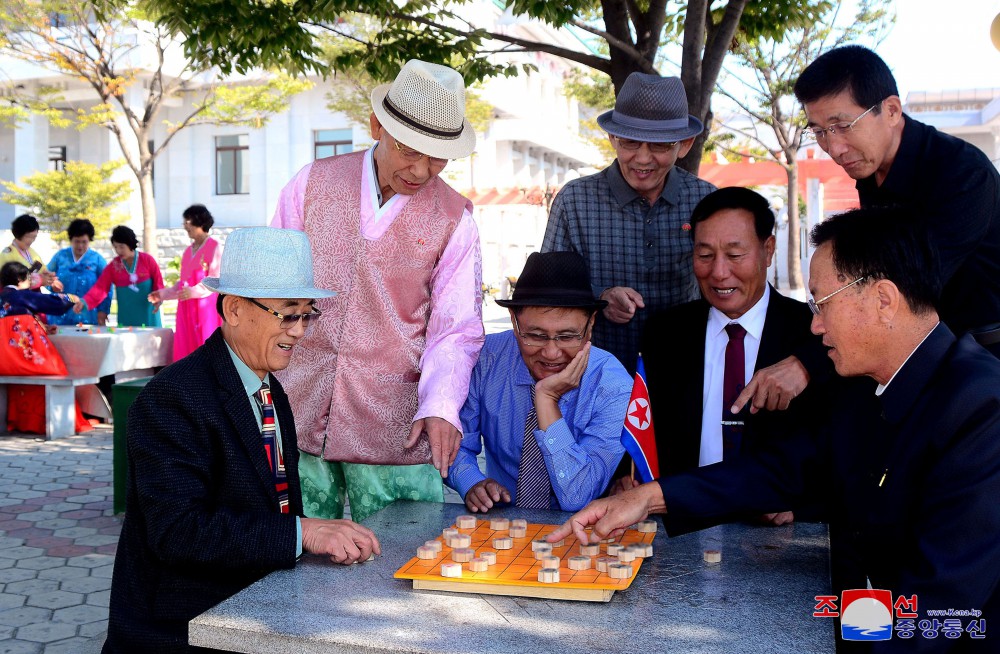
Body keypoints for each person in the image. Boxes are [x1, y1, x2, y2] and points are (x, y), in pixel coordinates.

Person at [549, 207, 1000, 647]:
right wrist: (649, 497)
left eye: (821, 304)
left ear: (883, 300)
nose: (816, 325)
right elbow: (784, 469)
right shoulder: (872, 386)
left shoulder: (982, 409)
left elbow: (938, 607)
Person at [103, 228, 381, 654]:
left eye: (308, 315)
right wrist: (301, 533)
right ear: (234, 309)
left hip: (252, 608)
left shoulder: (269, 388)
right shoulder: (172, 399)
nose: (301, 331)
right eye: (288, 315)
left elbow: (276, 505)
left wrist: (305, 535)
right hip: (180, 629)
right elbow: (178, 531)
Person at [271, 59, 484, 523]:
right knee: (290, 546)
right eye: (410, 150)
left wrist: (442, 405)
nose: (423, 169)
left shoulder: (454, 218)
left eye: (437, 156)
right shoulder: (311, 185)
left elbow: (456, 329)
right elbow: (271, 292)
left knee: (402, 555)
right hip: (298, 397)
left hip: (395, 415)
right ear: (376, 127)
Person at [736, 45, 1000, 413]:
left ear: (890, 110)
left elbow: (907, 289)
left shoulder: (963, 175)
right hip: (907, 347)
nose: (834, 147)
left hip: (980, 359)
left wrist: (807, 363)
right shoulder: (870, 171)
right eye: (820, 131)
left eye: (843, 126)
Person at [614, 188, 826, 526]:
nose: (719, 272)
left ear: (767, 250)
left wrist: (801, 509)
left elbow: (838, 452)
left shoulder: (814, 336)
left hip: (777, 535)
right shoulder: (665, 333)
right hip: (683, 526)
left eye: (734, 254)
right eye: (705, 254)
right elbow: (643, 430)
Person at [541, 72, 716, 373]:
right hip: (594, 376)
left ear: (685, 145)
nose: (643, 158)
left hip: (686, 369)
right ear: (612, 138)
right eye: (630, 142)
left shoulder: (706, 201)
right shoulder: (575, 201)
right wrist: (600, 296)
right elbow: (547, 288)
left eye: (660, 146)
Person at [446, 251, 631, 513]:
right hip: (502, 523)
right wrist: (472, 483)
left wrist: (547, 400)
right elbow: (455, 444)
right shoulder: (485, 359)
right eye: (535, 335)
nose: (551, 353)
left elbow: (577, 495)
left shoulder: (613, 385)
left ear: (590, 325)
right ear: (514, 321)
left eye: (567, 337)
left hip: (582, 531)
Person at [0, 261, 89, 435]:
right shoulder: (21, 296)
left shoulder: (3, 297)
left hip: (3, 361)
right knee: (56, 368)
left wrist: (41, 327)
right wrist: (73, 298)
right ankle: (50, 421)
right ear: (20, 279)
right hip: (21, 361)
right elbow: (52, 302)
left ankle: (21, 420)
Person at [149, 204, 222, 360]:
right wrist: (162, 294)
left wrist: (195, 292)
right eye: (185, 221)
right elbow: (182, 284)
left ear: (200, 222)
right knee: (186, 349)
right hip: (186, 308)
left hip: (205, 309)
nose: (185, 225)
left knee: (206, 348)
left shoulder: (214, 247)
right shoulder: (188, 251)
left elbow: (215, 280)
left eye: (188, 220)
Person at [75, 225, 164, 327]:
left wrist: (158, 298)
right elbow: (100, 288)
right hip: (126, 317)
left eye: (121, 246)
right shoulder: (113, 266)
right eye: (115, 247)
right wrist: (84, 301)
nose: (118, 251)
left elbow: (158, 283)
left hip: (148, 315)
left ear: (130, 244)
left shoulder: (147, 260)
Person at [46, 218, 111, 326]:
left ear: (89, 240)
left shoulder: (97, 259)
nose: (80, 246)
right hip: (60, 315)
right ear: (71, 240)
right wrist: (52, 285)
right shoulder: (60, 257)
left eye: (84, 242)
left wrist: (103, 311)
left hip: (89, 314)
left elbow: (107, 286)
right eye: (77, 241)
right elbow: (46, 276)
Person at [0, 214, 61, 291]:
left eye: (34, 237)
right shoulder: (7, 255)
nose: (31, 240)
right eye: (28, 236)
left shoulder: (32, 252)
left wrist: (52, 279)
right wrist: (40, 280)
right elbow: (10, 283)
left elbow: (43, 271)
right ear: (18, 234)